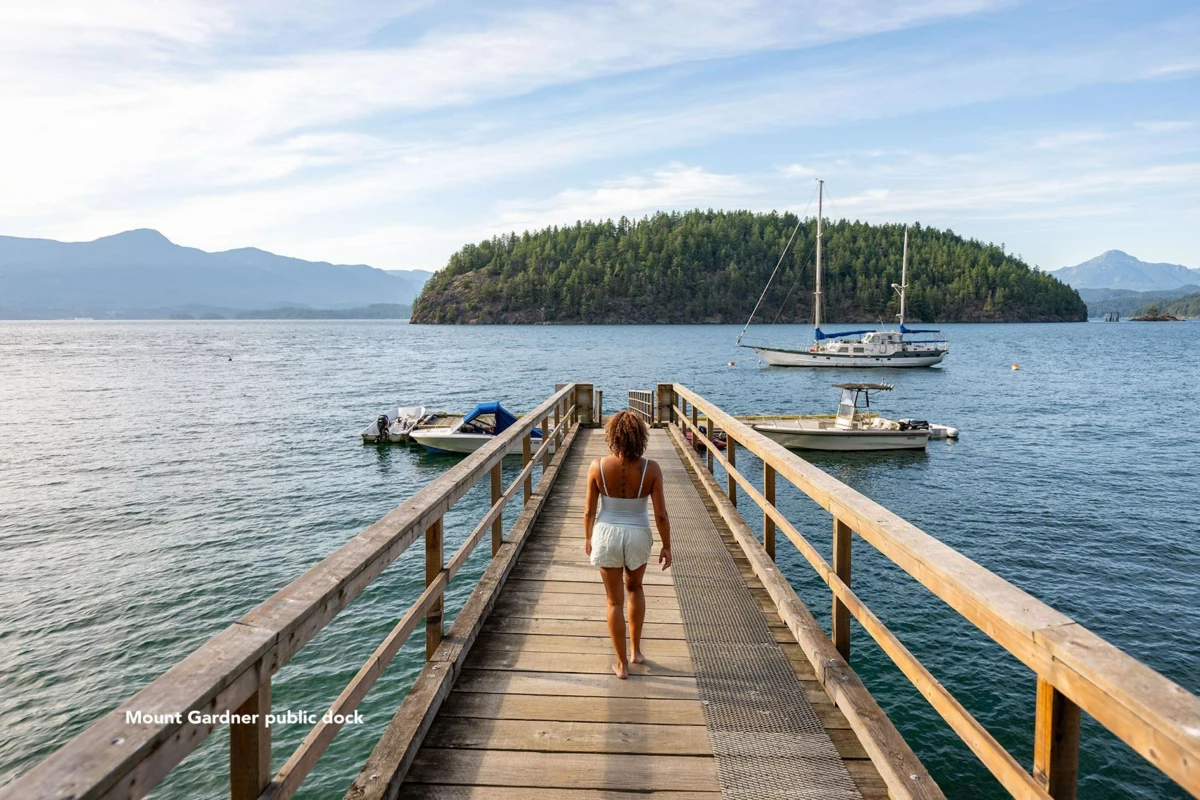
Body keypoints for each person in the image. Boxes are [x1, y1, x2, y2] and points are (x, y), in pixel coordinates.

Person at [584, 411, 672, 679]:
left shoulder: (597, 466)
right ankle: (635, 651)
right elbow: (660, 514)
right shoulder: (651, 468)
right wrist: (666, 545)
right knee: (635, 589)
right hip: (637, 534)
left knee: (613, 602)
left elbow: (588, 511)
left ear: (613, 436)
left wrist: (588, 537)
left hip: (606, 533)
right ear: (640, 438)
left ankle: (621, 665)